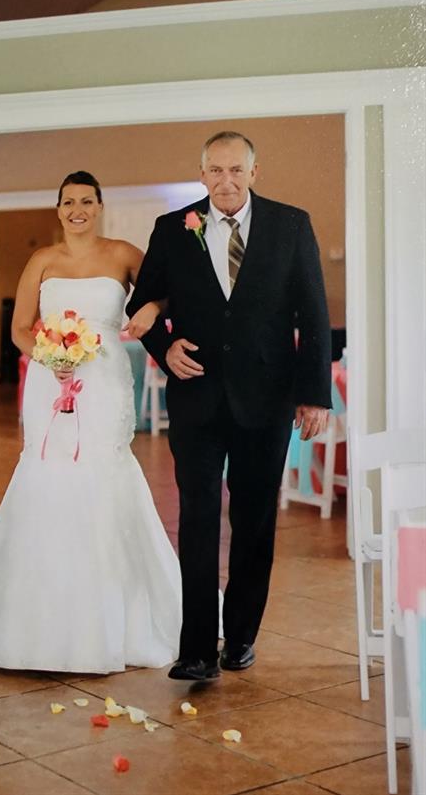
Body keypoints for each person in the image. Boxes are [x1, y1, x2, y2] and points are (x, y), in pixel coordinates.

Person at [127, 132, 332, 682]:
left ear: (254, 171)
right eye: (215, 171)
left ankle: (239, 635)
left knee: (254, 518)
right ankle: (195, 647)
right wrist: (163, 349)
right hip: (195, 397)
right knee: (195, 515)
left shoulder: (291, 225)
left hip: (266, 400)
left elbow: (313, 313)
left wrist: (314, 395)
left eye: (235, 170)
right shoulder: (173, 229)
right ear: (201, 175)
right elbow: (141, 304)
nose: (225, 180)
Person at [0, 171, 181, 673]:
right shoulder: (42, 260)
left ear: (100, 206)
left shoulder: (123, 253)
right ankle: (38, 623)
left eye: (86, 201)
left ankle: (113, 621)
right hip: (49, 380)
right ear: (58, 209)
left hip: (102, 381)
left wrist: (148, 306)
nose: (77, 209)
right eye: (68, 202)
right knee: (48, 473)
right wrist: (45, 356)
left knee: (102, 473)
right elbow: (19, 327)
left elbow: (167, 291)